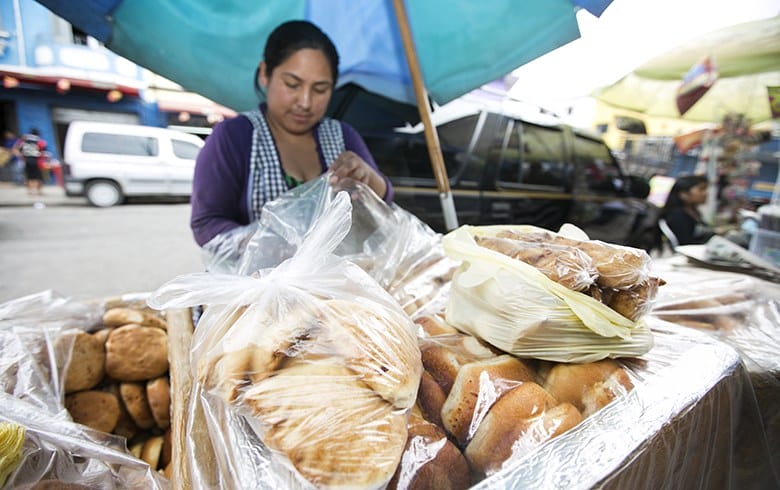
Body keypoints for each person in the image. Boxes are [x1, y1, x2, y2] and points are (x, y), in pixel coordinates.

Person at [190, 20, 393, 248]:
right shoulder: (234, 137)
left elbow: (384, 203)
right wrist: (262, 245)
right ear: (265, 73)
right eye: (292, 84)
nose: (305, 102)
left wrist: (367, 177)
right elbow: (206, 224)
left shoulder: (343, 136)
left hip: (334, 271)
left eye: (320, 89)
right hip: (258, 271)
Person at [661, 174, 715, 246]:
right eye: (701, 189)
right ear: (684, 194)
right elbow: (686, 242)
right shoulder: (677, 215)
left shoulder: (692, 211)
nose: (706, 193)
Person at [13, 128, 47, 195]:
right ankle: (39, 191)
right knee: (38, 176)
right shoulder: (39, 141)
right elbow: (43, 150)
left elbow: (16, 149)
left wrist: (21, 157)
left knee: (28, 176)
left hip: (27, 160)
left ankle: (30, 191)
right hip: (37, 160)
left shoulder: (24, 140)